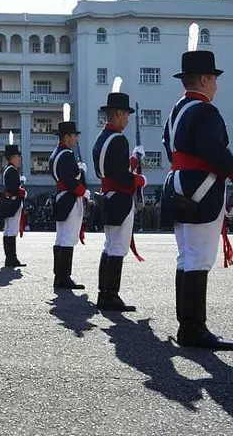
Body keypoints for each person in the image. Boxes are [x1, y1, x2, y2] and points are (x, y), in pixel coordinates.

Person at [161, 36, 233, 350]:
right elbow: (213, 150)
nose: (216, 87)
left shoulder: (175, 111)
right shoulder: (206, 112)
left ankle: (188, 326)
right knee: (199, 258)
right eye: (215, 81)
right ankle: (194, 329)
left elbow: (169, 147)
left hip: (179, 183)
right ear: (205, 80)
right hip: (200, 188)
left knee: (187, 256)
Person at [92, 87, 147, 311]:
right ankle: (110, 296)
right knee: (118, 248)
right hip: (120, 199)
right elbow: (121, 174)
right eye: (126, 114)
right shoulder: (119, 140)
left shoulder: (102, 138)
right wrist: (139, 180)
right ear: (118, 113)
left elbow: (111, 167)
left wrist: (133, 159)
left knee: (110, 246)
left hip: (107, 196)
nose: (127, 119)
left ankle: (104, 293)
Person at [49, 120, 89, 289]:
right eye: (74, 136)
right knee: (68, 238)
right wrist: (82, 185)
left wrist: (77, 172)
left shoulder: (55, 154)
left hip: (61, 197)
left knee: (61, 237)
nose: (76, 140)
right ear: (67, 137)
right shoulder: (67, 155)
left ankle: (59, 276)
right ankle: (64, 277)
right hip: (69, 198)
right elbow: (69, 179)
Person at [0, 143, 27, 267]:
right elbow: (12, 189)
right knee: (11, 231)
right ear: (13, 157)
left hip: (10, 202)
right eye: (17, 156)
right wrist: (23, 192)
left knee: (9, 230)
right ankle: (11, 258)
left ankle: (10, 257)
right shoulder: (11, 171)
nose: (19, 159)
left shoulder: (9, 169)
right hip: (13, 203)